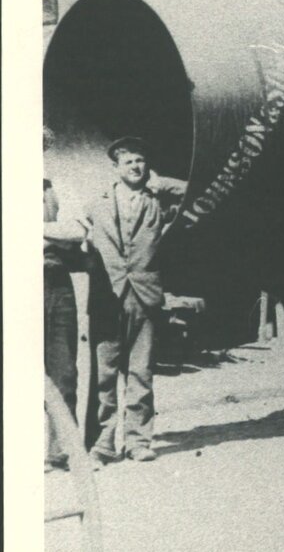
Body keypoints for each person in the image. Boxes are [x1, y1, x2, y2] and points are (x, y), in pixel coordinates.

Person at [81, 136, 185, 465]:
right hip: (107, 298)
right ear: (116, 168)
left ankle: (139, 442)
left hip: (145, 296)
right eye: (129, 162)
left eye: (141, 161)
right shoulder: (95, 205)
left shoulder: (159, 202)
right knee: (104, 374)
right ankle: (101, 446)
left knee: (141, 372)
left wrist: (162, 182)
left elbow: (194, 190)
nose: (136, 167)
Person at [44, 129, 86, 470]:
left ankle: (63, 450)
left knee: (64, 371)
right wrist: (52, 232)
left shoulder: (58, 185)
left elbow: (76, 231)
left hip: (57, 285)